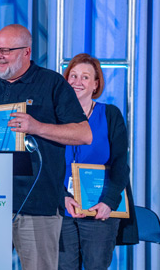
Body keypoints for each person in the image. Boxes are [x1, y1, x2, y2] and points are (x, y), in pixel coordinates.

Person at [0, 24, 92, 270]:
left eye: (6, 50)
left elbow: (84, 134)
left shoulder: (52, 83)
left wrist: (37, 127)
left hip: (37, 203)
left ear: (26, 52)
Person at [58, 53, 138, 270]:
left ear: (95, 84)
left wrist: (109, 201)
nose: (77, 82)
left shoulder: (110, 114)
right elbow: (47, 163)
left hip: (100, 209)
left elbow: (121, 162)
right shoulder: (54, 117)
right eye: (72, 76)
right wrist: (61, 197)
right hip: (63, 209)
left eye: (85, 77)